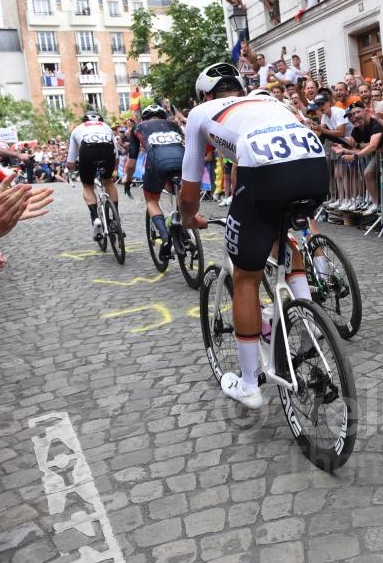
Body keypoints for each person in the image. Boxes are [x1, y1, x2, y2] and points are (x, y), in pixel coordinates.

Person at [179, 63, 330, 409]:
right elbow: (239, 168)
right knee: (283, 238)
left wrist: (188, 219)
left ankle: (249, 384)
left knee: (246, 277)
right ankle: (308, 324)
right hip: (314, 167)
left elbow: (189, 194)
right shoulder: (266, 104)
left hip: (268, 173)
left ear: (204, 95)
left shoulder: (202, 112)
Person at [124, 104, 185, 262]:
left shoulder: (139, 127)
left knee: (151, 200)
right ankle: (184, 227)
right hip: (182, 161)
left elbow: (131, 164)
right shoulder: (174, 125)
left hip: (157, 163)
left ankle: (165, 237)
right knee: (180, 192)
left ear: (144, 119)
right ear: (164, 117)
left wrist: (128, 180)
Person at [66, 111, 119, 242]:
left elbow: (70, 163)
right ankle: (116, 217)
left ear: (84, 121)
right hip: (107, 152)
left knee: (88, 186)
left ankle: (95, 217)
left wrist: (72, 169)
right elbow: (116, 156)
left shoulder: (77, 130)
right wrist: (112, 169)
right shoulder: (106, 127)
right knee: (108, 182)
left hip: (87, 151)